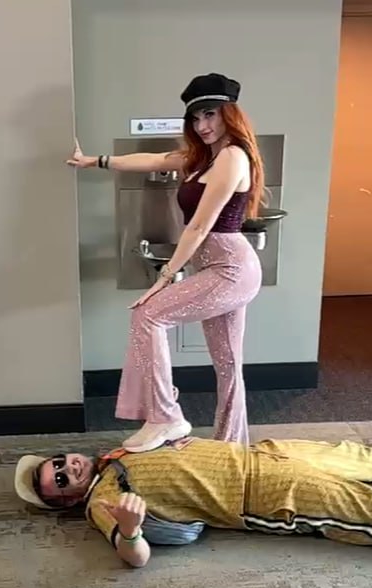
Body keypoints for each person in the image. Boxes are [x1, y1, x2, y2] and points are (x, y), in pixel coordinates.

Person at [13, 394, 372, 569]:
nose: (67, 469)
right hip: (265, 496)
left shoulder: (119, 452)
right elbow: (135, 558)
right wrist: (131, 531)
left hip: (262, 456)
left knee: (360, 457)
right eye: (58, 481)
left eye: (58, 463)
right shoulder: (104, 502)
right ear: (64, 500)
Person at [67, 72, 264, 452]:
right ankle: (232, 447)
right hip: (219, 268)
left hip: (232, 270)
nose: (202, 125)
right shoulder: (203, 158)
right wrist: (94, 161)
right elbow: (154, 159)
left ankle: (164, 416)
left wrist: (165, 277)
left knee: (148, 315)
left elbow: (199, 226)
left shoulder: (232, 157)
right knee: (228, 365)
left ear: (229, 114)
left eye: (210, 114)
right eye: (195, 118)